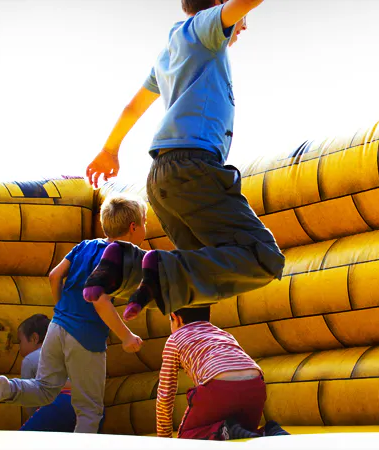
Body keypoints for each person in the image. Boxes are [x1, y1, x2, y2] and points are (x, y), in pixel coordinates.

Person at [82, 0, 285, 322]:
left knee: (196, 274)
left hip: (162, 177)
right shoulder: (203, 29)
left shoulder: (169, 53)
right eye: (239, 17)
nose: (244, 25)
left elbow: (133, 108)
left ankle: (135, 276)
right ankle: (146, 268)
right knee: (261, 258)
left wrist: (109, 149)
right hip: (193, 168)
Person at [0, 195, 148, 433]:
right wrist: (126, 336)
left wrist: (61, 310)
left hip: (58, 327)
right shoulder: (119, 255)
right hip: (86, 336)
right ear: (133, 227)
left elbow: (54, 276)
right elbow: (99, 299)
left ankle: (8, 388)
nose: (145, 228)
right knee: (89, 410)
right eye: (145, 222)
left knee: (45, 389)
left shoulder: (85, 246)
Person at [155, 306, 289, 440]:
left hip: (218, 387)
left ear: (175, 318)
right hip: (255, 386)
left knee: (187, 438)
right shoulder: (223, 334)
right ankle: (269, 431)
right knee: (243, 431)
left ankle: (223, 431)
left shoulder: (175, 339)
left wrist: (164, 439)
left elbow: (166, 393)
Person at [15, 314, 83, 432]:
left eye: (19, 341)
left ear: (34, 338)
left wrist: (33, 420)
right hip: (89, 406)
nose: (19, 348)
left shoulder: (30, 359)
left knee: (23, 440)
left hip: (61, 404)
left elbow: (29, 400)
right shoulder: (69, 352)